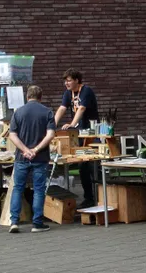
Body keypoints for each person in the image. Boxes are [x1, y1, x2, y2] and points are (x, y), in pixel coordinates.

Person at [8, 85, 56, 233]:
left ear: (27, 97)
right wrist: (35, 149)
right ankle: (37, 223)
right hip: (40, 157)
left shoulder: (18, 113)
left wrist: (25, 150)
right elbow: (50, 135)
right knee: (39, 189)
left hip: (21, 157)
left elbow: (12, 135)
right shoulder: (47, 112)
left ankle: (14, 222)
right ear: (40, 97)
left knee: (17, 188)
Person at [54, 69, 98, 208]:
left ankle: (101, 196)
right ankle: (89, 198)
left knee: (93, 165)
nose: (66, 83)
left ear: (77, 80)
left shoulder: (86, 91)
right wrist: (52, 125)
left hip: (91, 133)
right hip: (78, 135)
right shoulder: (68, 93)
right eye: (65, 81)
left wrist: (72, 124)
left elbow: (82, 108)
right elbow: (62, 108)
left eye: (69, 80)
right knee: (82, 166)